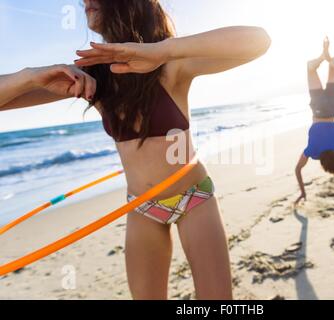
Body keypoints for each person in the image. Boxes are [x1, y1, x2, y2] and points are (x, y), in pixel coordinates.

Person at [0, 0, 271, 299]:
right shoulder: (92, 77)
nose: (85, 2)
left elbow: (258, 40)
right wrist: (25, 77)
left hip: (195, 198)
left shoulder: (170, 64)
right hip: (142, 208)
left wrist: (161, 51)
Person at [295, 38, 334, 206]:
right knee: (310, 68)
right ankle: (321, 57)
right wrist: (303, 191)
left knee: (333, 68)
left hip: (333, 109)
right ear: (323, 164)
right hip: (318, 109)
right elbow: (297, 170)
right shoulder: (313, 151)